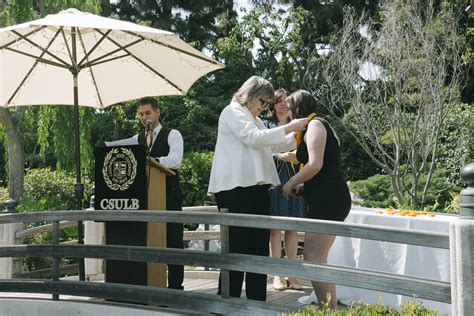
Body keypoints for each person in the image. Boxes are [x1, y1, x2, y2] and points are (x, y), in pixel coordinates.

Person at [208, 76, 308, 301]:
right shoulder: (232, 111)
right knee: (236, 248)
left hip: (256, 188)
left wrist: (302, 132)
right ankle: (227, 301)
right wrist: (289, 126)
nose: (263, 108)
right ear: (251, 94)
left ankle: (256, 302)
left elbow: (273, 143)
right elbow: (252, 138)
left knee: (258, 248)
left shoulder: (254, 118)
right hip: (235, 189)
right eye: (263, 102)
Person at [282, 90, 351, 309]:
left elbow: (315, 164)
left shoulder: (315, 126)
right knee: (318, 259)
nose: (288, 113)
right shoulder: (314, 126)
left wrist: (291, 182)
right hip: (325, 196)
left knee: (312, 258)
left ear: (298, 108)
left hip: (329, 200)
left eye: (290, 108)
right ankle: (329, 310)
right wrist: (305, 186)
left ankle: (327, 311)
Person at [134, 96, 184, 290]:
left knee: (173, 242)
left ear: (157, 112)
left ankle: (175, 288)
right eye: (140, 114)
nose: (144, 117)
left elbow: (176, 160)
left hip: (169, 195)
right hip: (145, 199)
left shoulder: (172, 134)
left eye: (147, 113)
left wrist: (153, 160)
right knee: (147, 241)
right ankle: (149, 285)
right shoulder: (137, 139)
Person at [263, 89, 307, 291]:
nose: (282, 104)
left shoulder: (300, 127)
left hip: (296, 178)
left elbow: (308, 151)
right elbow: (260, 151)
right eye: (278, 101)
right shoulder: (266, 126)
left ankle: (292, 274)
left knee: (292, 228)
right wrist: (277, 156)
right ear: (272, 105)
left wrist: (296, 155)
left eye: (285, 101)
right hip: (274, 179)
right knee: (274, 228)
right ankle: (277, 275)